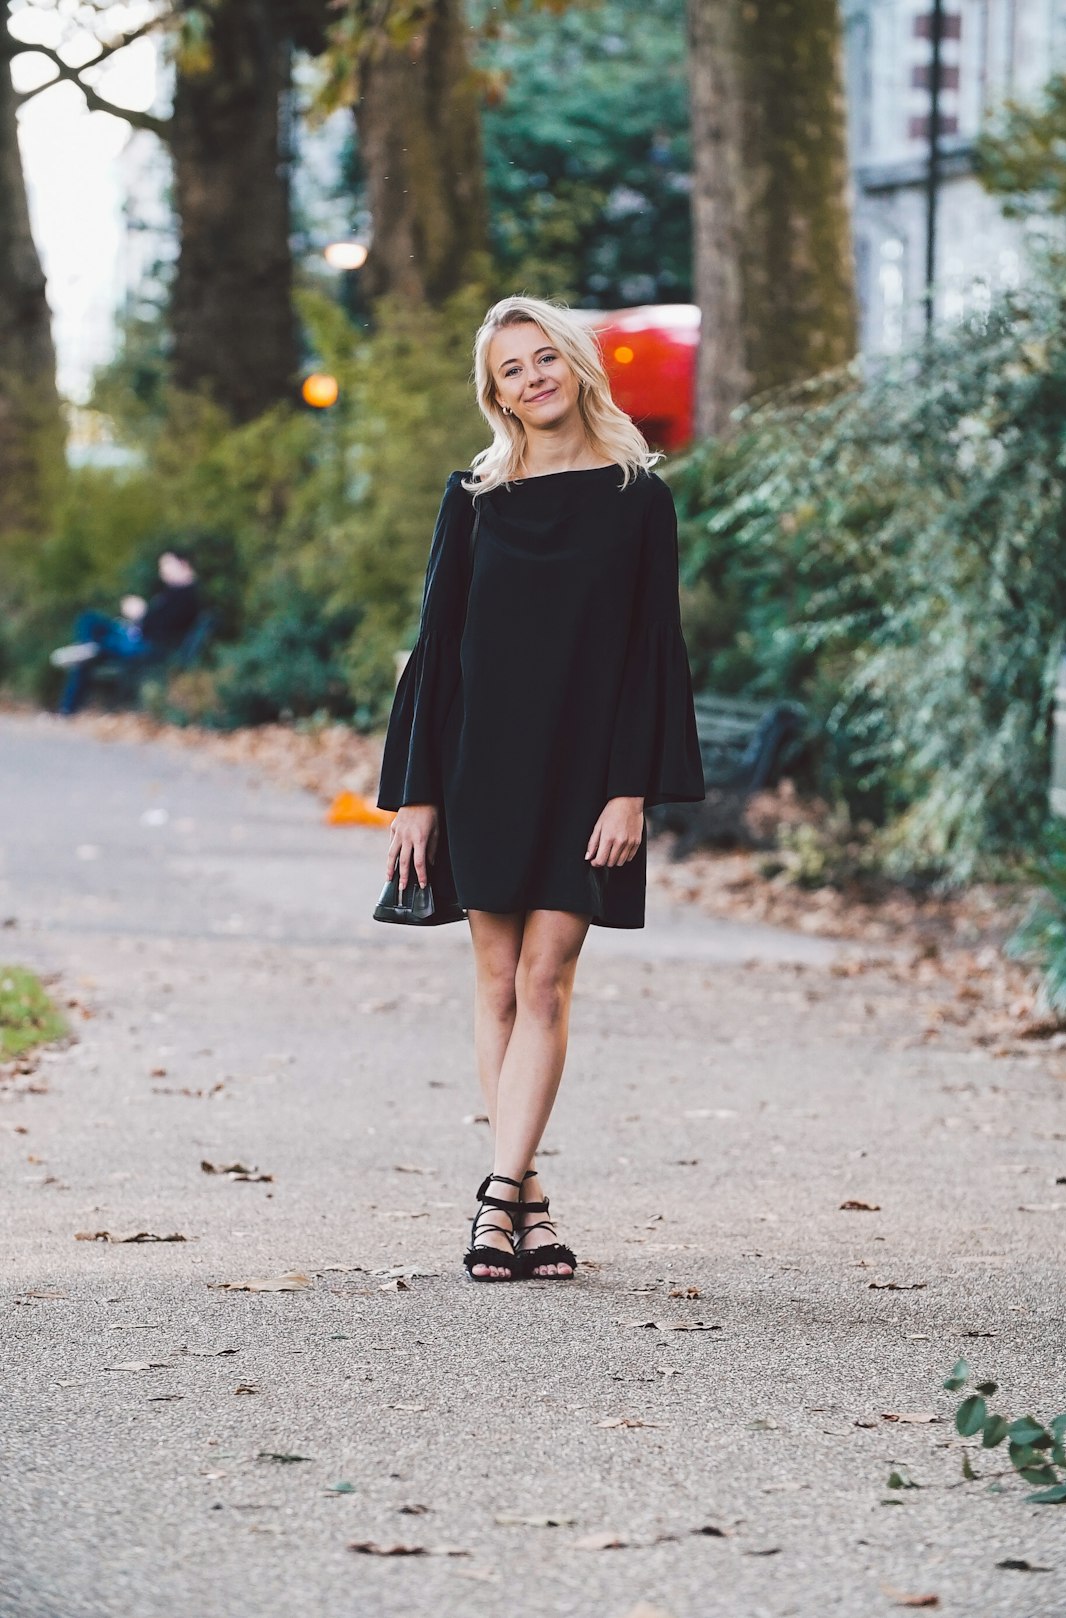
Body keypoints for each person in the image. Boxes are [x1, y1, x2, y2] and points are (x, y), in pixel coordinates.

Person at [376, 295, 705, 1283]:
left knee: (544, 976)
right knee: (494, 978)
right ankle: (528, 1199)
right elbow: (439, 652)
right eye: (511, 369)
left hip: (586, 773)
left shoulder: (638, 494)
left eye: (543, 358)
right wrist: (417, 794)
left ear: (575, 366)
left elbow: (653, 650)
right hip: (484, 764)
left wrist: (630, 790)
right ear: (498, 395)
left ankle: (493, 1201)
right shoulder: (473, 498)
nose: (533, 377)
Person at [51, 550, 202, 715]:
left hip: (147, 647)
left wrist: (141, 614)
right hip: (137, 638)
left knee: (88, 656)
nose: (162, 570)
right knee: (89, 619)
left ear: (183, 564)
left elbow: (164, 630)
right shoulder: (171, 593)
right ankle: (89, 648)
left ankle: (89, 653)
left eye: (166, 564)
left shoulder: (187, 595)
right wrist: (136, 622)